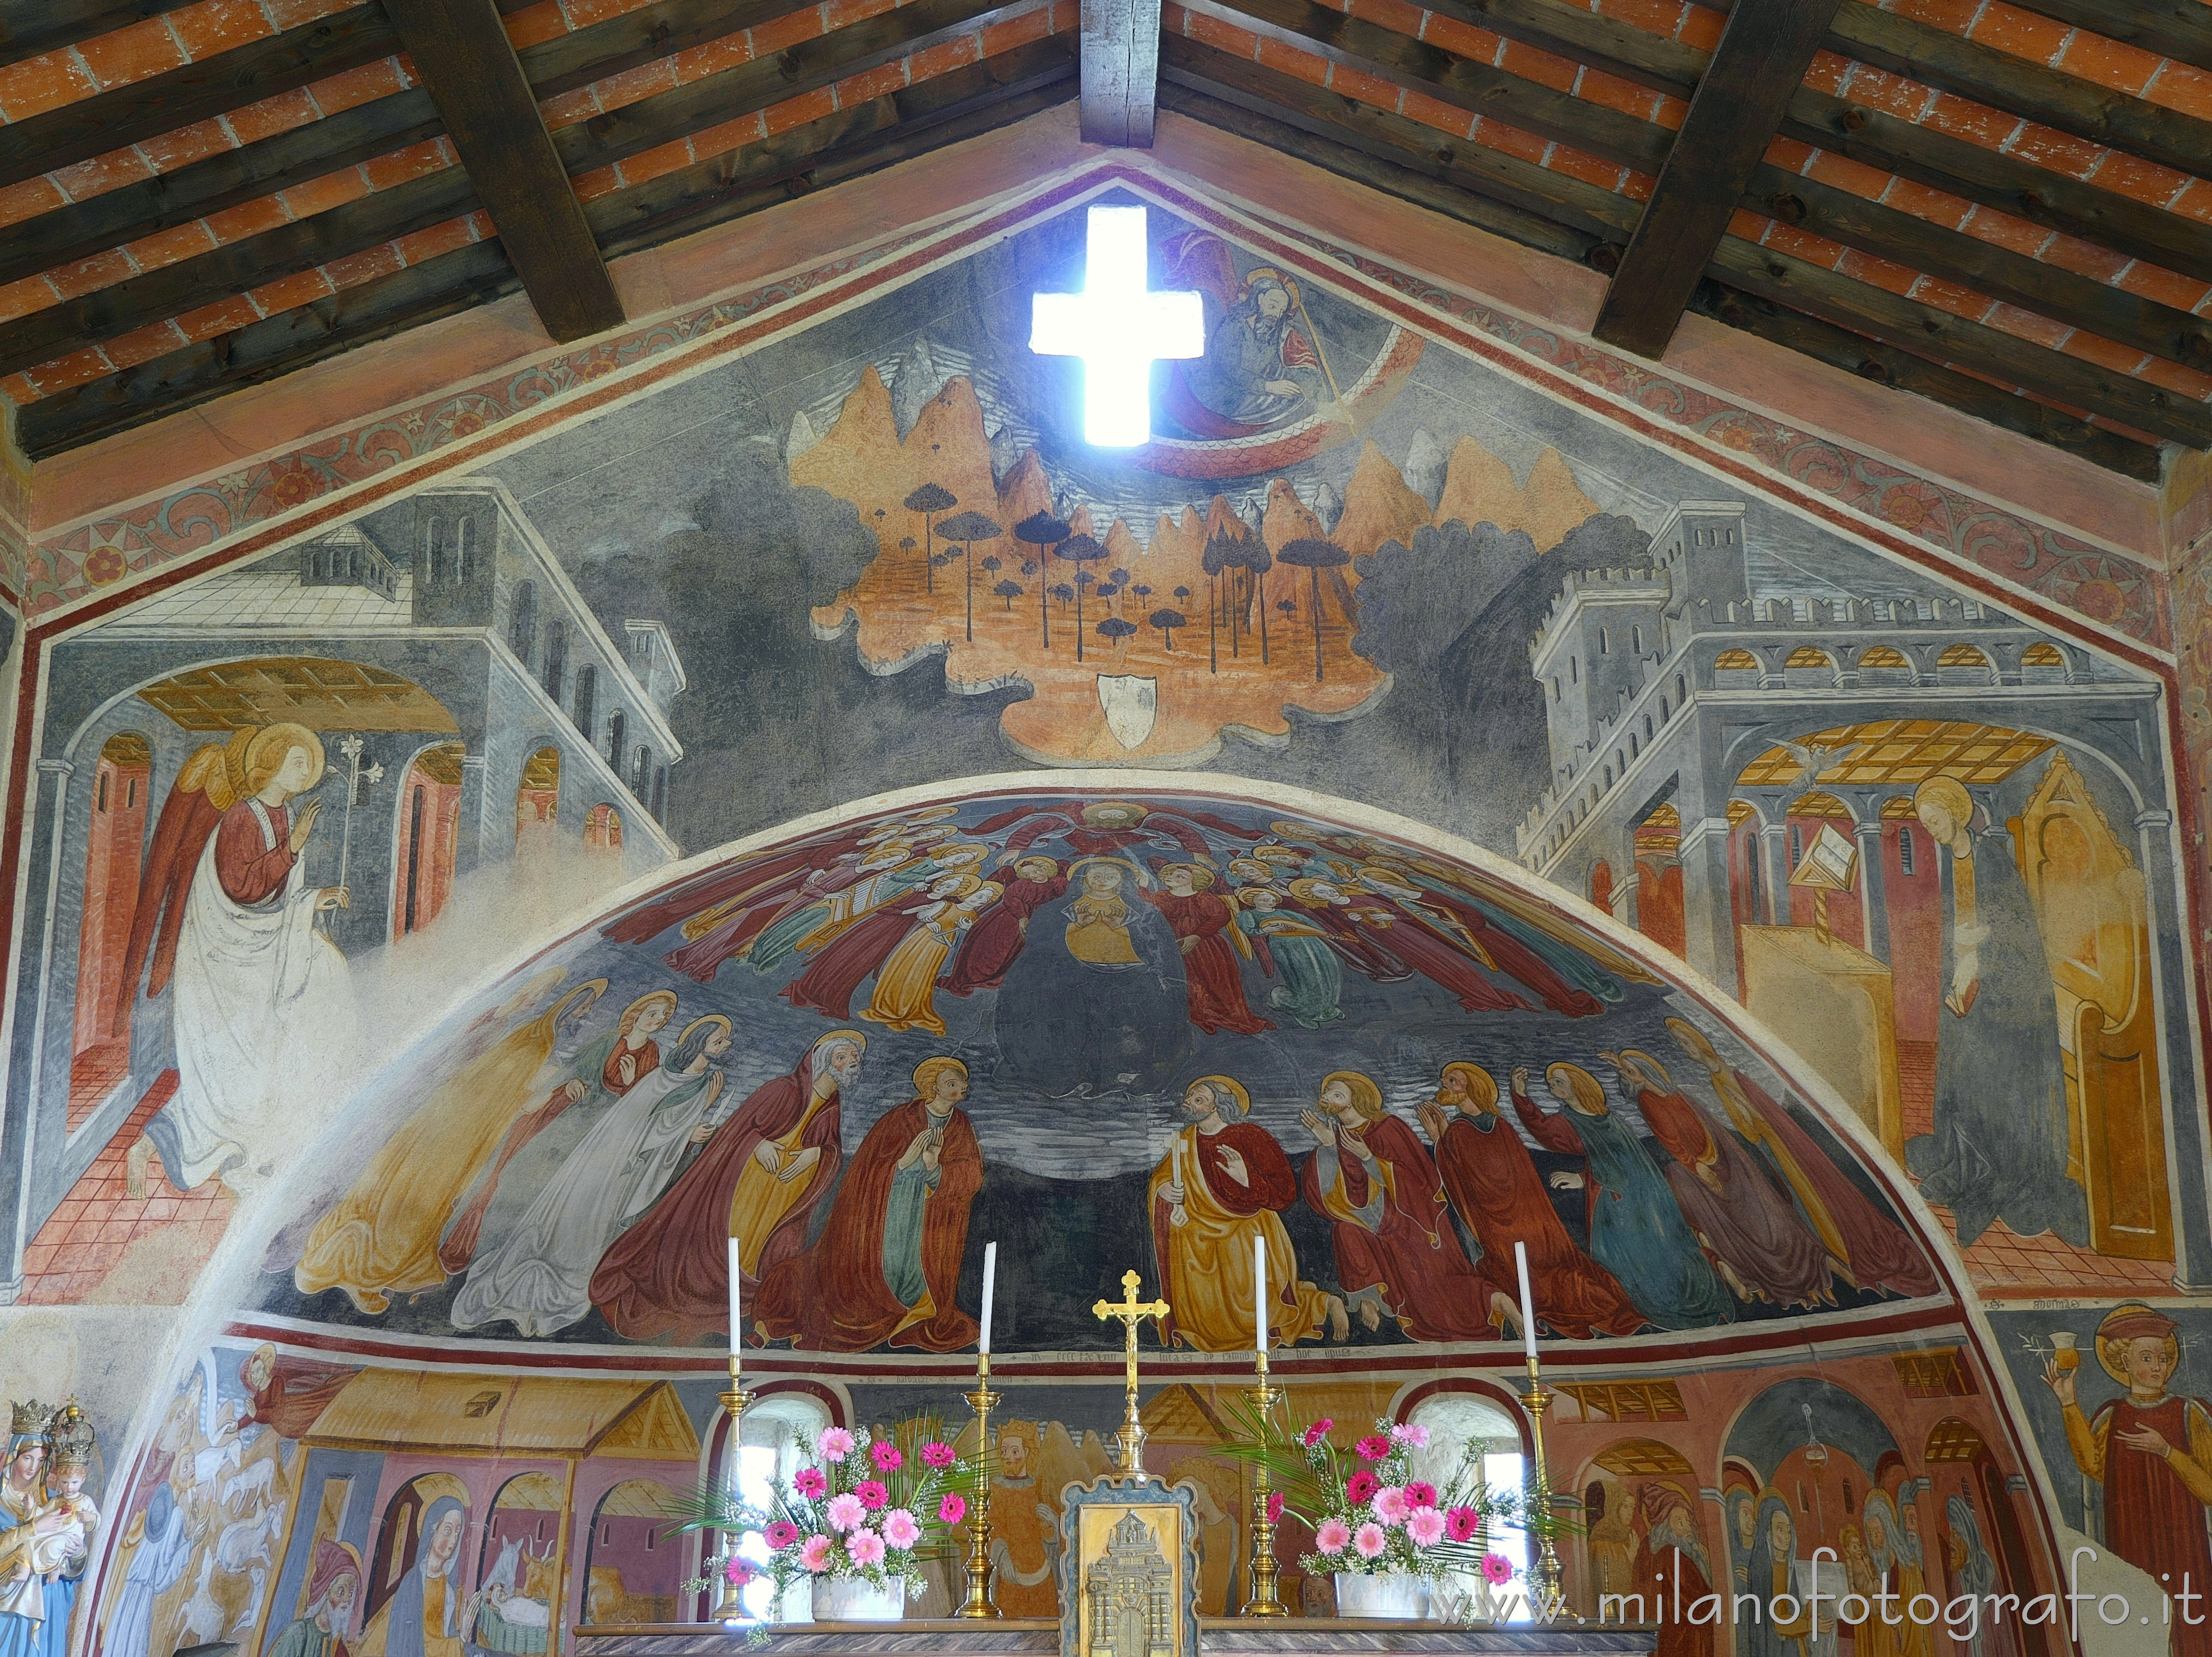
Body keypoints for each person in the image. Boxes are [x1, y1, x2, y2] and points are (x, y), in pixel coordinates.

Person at [126, 723, 358, 1197]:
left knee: (309, 1002)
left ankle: (255, 1147)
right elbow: (241, 889)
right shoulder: (240, 817)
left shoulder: (283, 812)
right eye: (297, 761)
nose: (305, 770)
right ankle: (152, 1149)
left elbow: (274, 895)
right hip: (225, 960)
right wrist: (293, 846)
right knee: (228, 1069)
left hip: (262, 951)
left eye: (308, 764)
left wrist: (313, 899)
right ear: (270, 763)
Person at [294, 980, 609, 1314]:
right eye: (583, 1006)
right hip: (452, 1127)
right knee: (409, 1187)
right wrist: (550, 1090)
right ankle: (361, 1266)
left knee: (430, 1199)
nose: (586, 1013)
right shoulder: (532, 1042)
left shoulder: (548, 1051)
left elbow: (522, 1103)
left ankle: (372, 1275)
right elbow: (499, 1088)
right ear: (565, 1008)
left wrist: (558, 1090)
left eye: (588, 1008)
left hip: (473, 1135)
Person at [452, 1016, 734, 1336]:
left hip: (626, 1172)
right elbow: (635, 1126)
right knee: (572, 1211)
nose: (726, 1045)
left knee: (593, 1225)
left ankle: (568, 1271)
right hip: (604, 1161)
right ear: (700, 1044)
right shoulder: (663, 1077)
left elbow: (651, 1132)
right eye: (719, 1040)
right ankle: (536, 1273)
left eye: (725, 1041)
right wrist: (687, 1133)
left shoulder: (701, 1084)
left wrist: (692, 1127)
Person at [1901, 774, 2086, 1247]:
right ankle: (1965, 1163)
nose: (1933, 830)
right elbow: (1957, 928)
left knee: (1990, 1079)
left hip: (2009, 1003)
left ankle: (2000, 1170)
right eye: (1925, 824)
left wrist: (1980, 956)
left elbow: (2017, 937)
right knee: (1961, 1077)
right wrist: (1958, 967)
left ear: (1955, 812)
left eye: (1936, 819)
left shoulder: (1992, 858)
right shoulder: (1954, 861)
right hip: (1970, 993)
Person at [592, 1031, 863, 1342]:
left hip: (784, 1199)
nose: (851, 1062)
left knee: (766, 1250)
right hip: (745, 1187)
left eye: (855, 1058)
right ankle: (702, 1291)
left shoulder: (831, 1108)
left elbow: (831, 1150)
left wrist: (818, 1153)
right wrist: (757, 1143)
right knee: (725, 1241)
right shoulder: (781, 1090)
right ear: (822, 1061)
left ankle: (749, 1304)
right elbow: (737, 1131)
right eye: (843, 1056)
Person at [1664, 1019, 1936, 1299]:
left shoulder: (1725, 1072)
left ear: (1699, 1041)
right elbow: (1749, 1121)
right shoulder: (1716, 1077)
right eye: (1680, 1044)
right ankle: (1839, 1253)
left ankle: (1848, 1251)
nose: (1685, 1049)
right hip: (1773, 1147)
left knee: (1815, 1194)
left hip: (1782, 1145)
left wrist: (1757, 1132)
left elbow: (1755, 1112)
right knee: (1806, 1199)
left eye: (1686, 1042)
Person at [754, 1056, 985, 1351]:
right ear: (933, 1088)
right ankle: (880, 1306)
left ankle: (914, 1309)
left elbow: (971, 1175)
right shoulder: (900, 1119)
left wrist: (934, 1167)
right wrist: (902, 1164)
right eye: (951, 1084)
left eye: (962, 1083)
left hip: (932, 1219)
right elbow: (867, 1170)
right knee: (887, 1265)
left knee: (918, 1271)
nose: (961, 1089)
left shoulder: (961, 1125)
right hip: (892, 1212)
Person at [438, 989, 675, 1274]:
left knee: (536, 1187)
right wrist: (568, 1084)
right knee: (508, 1171)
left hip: (592, 1135)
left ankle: (496, 1250)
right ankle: (465, 1241)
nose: (658, 1021)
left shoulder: (652, 1054)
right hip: (560, 1118)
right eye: (652, 1014)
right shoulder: (607, 1043)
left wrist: (629, 1086)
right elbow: (573, 1071)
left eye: (664, 1017)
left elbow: (642, 1106)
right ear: (636, 1013)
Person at [1419, 1063, 1644, 1339]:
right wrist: (1445, 1138)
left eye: (1452, 1081)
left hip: (1499, 1222)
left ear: (1471, 1088)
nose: (1445, 1086)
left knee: (1527, 1271)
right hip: (1528, 1216)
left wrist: (1438, 1140)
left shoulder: (1462, 1130)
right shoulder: (1497, 1124)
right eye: (1445, 1081)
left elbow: (1473, 1178)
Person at [1605, 1051, 1834, 1311]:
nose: (1627, 1074)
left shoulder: (1672, 1093)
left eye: (1630, 1069)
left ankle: (1802, 1272)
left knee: (1763, 1218)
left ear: (1647, 1066)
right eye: (1624, 1073)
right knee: (1737, 1227)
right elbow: (1669, 1140)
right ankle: (1770, 1278)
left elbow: (1702, 1123)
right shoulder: (1647, 1099)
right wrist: (1696, 1166)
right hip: (1702, 1170)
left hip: (1721, 1159)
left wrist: (1713, 1159)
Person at [1509, 1064, 1731, 1330]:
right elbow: (1545, 1131)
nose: (1552, 1087)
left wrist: (1583, 1178)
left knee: (1658, 1254)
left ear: (1578, 1085)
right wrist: (1521, 1097)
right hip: (1612, 1206)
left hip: (1641, 1202)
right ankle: (1650, 1307)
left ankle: (1688, 1297)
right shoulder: (1567, 1121)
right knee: (1620, 1261)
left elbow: (1630, 1165)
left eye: (1558, 1081)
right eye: (1550, 1083)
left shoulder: (1610, 1121)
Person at [2045, 1303, 2212, 1656]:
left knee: (2186, 1622)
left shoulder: (2190, 1412)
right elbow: (2093, 1464)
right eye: (2148, 1358)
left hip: (2181, 1543)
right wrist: (2068, 1403)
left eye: (2163, 1357)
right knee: (2138, 1618)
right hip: (2130, 1538)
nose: (2159, 1366)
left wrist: (2166, 1450)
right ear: (2124, 1363)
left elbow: (2210, 1489)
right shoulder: (2112, 1414)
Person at [1149, 1076, 1344, 1350]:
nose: (1189, 1103)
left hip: (1247, 1230)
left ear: (1219, 1105)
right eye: (1190, 1097)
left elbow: (1285, 1194)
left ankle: (1325, 1304)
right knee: (1201, 1302)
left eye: (1199, 1099)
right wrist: (1164, 1189)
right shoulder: (1184, 1142)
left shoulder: (1250, 1136)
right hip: (1197, 1238)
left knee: (1257, 1306)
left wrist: (1247, 1178)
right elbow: (1163, 1179)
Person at [1296, 1072, 1486, 1339]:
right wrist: (1330, 1147)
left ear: (1355, 1102)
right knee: (1345, 1231)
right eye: (1327, 1093)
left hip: (1410, 1216)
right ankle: (1370, 1299)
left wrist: (1369, 1158)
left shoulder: (1388, 1127)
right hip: (1366, 1218)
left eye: (1337, 1094)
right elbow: (1326, 1195)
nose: (1327, 1098)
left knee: (1394, 1226)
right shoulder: (1333, 1137)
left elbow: (1421, 1180)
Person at [1142, 864, 1273, 1035]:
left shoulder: (1204, 898)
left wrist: (1196, 936)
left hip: (1207, 948)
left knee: (1213, 982)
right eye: (1170, 875)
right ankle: (1194, 1014)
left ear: (1194, 880)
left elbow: (1222, 916)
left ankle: (1220, 1014)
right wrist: (1142, 887)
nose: (1173, 878)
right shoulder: (1161, 897)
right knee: (1183, 981)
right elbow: (1146, 907)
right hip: (1175, 946)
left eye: (1181, 876)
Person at [860, 880, 1000, 1037]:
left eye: (986, 900)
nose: (981, 901)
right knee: (900, 970)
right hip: (920, 941)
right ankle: (884, 1005)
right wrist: (931, 920)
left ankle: (909, 1009)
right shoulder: (946, 905)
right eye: (980, 896)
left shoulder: (974, 918)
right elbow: (922, 914)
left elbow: (972, 944)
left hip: (939, 950)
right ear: (969, 893)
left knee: (922, 978)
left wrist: (966, 929)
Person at [939, 856, 1067, 996]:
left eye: (1036, 871)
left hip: (1039, 920)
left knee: (1015, 953)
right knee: (992, 949)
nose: (1035, 876)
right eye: (1029, 875)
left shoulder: (1058, 883)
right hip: (1009, 919)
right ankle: (970, 976)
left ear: (1044, 869)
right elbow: (1011, 897)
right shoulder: (1022, 885)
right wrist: (1023, 917)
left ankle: (1000, 976)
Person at [359, 1498, 465, 1657]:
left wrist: (460, 1639)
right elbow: (413, 1643)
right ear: (432, 1532)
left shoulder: (450, 1591)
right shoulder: (413, 1582)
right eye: (448, 1531)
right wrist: (459, 1642)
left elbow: (444, 1637)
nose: (453, 1540)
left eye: (457, 1533)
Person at [1236, 888, 1344, 1027]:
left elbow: (1309, 924)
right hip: (1286, 947)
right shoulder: (1249, 914)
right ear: (1252, 900)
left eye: (1272, 900)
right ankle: (1305, 1012)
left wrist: (1325, 934)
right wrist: (1263, 930)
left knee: (1326, 971)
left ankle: (1328, 1008)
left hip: (1312, 944)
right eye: (1264, 899)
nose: (1269, 902)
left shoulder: (1286, 913)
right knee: (1303, 977)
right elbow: (1248, 929)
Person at [1632, 1483, 1711, 1657]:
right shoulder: (1672, 1554)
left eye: (1688, 1521)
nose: (1688, 1528)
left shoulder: (1650, 1547)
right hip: (1678, 1635)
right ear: (1666, 1526)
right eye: (1680, 1522)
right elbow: (1693, 1600)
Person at [1742, 1497, 1814, 1657]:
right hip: (1775, 1648)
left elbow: (1790, 1612)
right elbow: (1778, 1622)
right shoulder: (1763, 1570)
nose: (1787, 1536)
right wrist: (1810, 1624)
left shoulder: (1788, 1567)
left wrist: (1808, 1610)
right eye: (1780, 1529)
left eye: (1788, 1530)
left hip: (1792, 1646)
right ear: (1767, 1532)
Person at [267, 1540, 362, 1657]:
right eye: (341, 1592)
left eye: (351, 1594)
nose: (347, 1600)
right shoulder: (298, 1632)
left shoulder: (338, 1649)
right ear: (327, 1591)